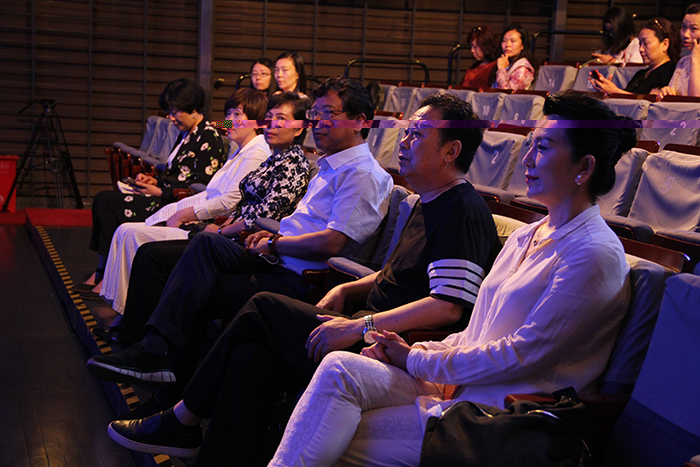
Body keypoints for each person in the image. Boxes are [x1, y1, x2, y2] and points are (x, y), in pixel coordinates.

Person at [103, 93, 502, 467]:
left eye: (419, 133)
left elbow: (448, 306)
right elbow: (399, 275)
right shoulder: (428, 202)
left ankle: (181, 415)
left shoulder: (461, 210)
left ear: (451, 150)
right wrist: (348, 287)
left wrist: (359, 326)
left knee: (261, 307)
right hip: (365, 322)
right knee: (250, 357)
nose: (405, 140)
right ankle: (202, 444)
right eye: (408, 130)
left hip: (391, 343)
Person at [266, 90, 636, 467]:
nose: (527, 158)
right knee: (339, 370)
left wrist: (416, 360)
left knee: (331, 435)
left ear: (584, 168)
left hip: (504, 418)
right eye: (530, 145)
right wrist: (415, 351)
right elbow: (476, 332)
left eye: (542, 147)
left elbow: (521, 353)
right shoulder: (528, 234)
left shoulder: (594, 253)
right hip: (460, 388)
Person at [86, 77, 393, 391]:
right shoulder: (323, 165)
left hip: (297, 274)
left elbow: (331, 242)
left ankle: (157, 365)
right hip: (273, 252)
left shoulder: (359, 173)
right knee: (196, 250)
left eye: (328, 113)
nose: (316, 121)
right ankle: (151, 357)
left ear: (360, 121)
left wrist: (272, 242)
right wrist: (267, 239)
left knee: (196, 277)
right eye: (314, 113)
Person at [97, 91, 311, 319]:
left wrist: (211, 225)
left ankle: (126, 315)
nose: (229, 121)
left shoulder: (250, 149)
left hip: (235, 236)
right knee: (130, 232)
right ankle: (120, 307)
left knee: (141, 243)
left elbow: (245, 208)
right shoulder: (250, 152)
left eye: (237, 114)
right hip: (218, 225)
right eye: (227, 114)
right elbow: (221, 195)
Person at [83, 78, 226, 290]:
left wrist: (160, 191)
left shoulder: (209, 136)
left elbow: (200, 185)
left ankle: (108, 274)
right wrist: (154, 180)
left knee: (109, 204)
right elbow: (177, 172)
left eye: (175, 112)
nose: (170, 118)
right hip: (165, 193)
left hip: (175, 203)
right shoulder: (186, 133)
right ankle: (103, 268)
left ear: (193, 109)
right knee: (102, 198)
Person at [590, 17, 680, 95]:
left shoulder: (670, 71)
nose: (641, 49)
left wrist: (614, 91)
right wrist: (607, 91)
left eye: (646, 43)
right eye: (640, 44)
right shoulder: (640, 74)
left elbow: (651, 102)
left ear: (665, 44)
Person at [660, 4, 700, 97]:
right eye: (684, 27)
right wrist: (667, 91)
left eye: (693, 29)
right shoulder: (683, 62)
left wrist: (695, 61)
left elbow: (696, 100)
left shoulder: (693, 60)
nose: (685, 34)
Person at [493, 24, 538, 90]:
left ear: (522, 45)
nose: (507, 45)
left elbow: (507, 92)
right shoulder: (508, 64)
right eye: (504, 40)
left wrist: (501, 69)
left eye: (513, 41)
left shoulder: (523, 68)